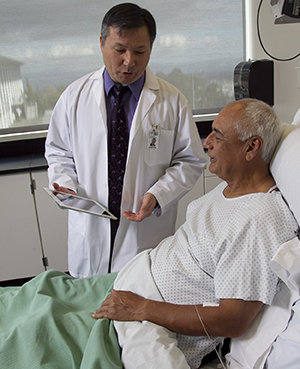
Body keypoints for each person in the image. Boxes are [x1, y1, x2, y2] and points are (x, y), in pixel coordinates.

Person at [91, 98, 299, 368]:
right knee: (44, 296)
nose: (206, 142)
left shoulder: (259, 219)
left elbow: (232, 320)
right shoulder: (230, 188)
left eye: (219, 137)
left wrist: (141, 308)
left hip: (151, 316)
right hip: (137, 279)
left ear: (251, 147)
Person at [45, 3, 206, 278]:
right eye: (119, 50)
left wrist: (159, 194)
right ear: (101, 44)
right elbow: (59, 152)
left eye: (140, 51)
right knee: (90, 303)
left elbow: (190, 160)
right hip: (91, 221)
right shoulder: (74, 96)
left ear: (151, 49)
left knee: (139, 301)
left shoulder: (172, 101)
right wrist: (67, 185)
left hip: (143, 227)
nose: (129, 61)